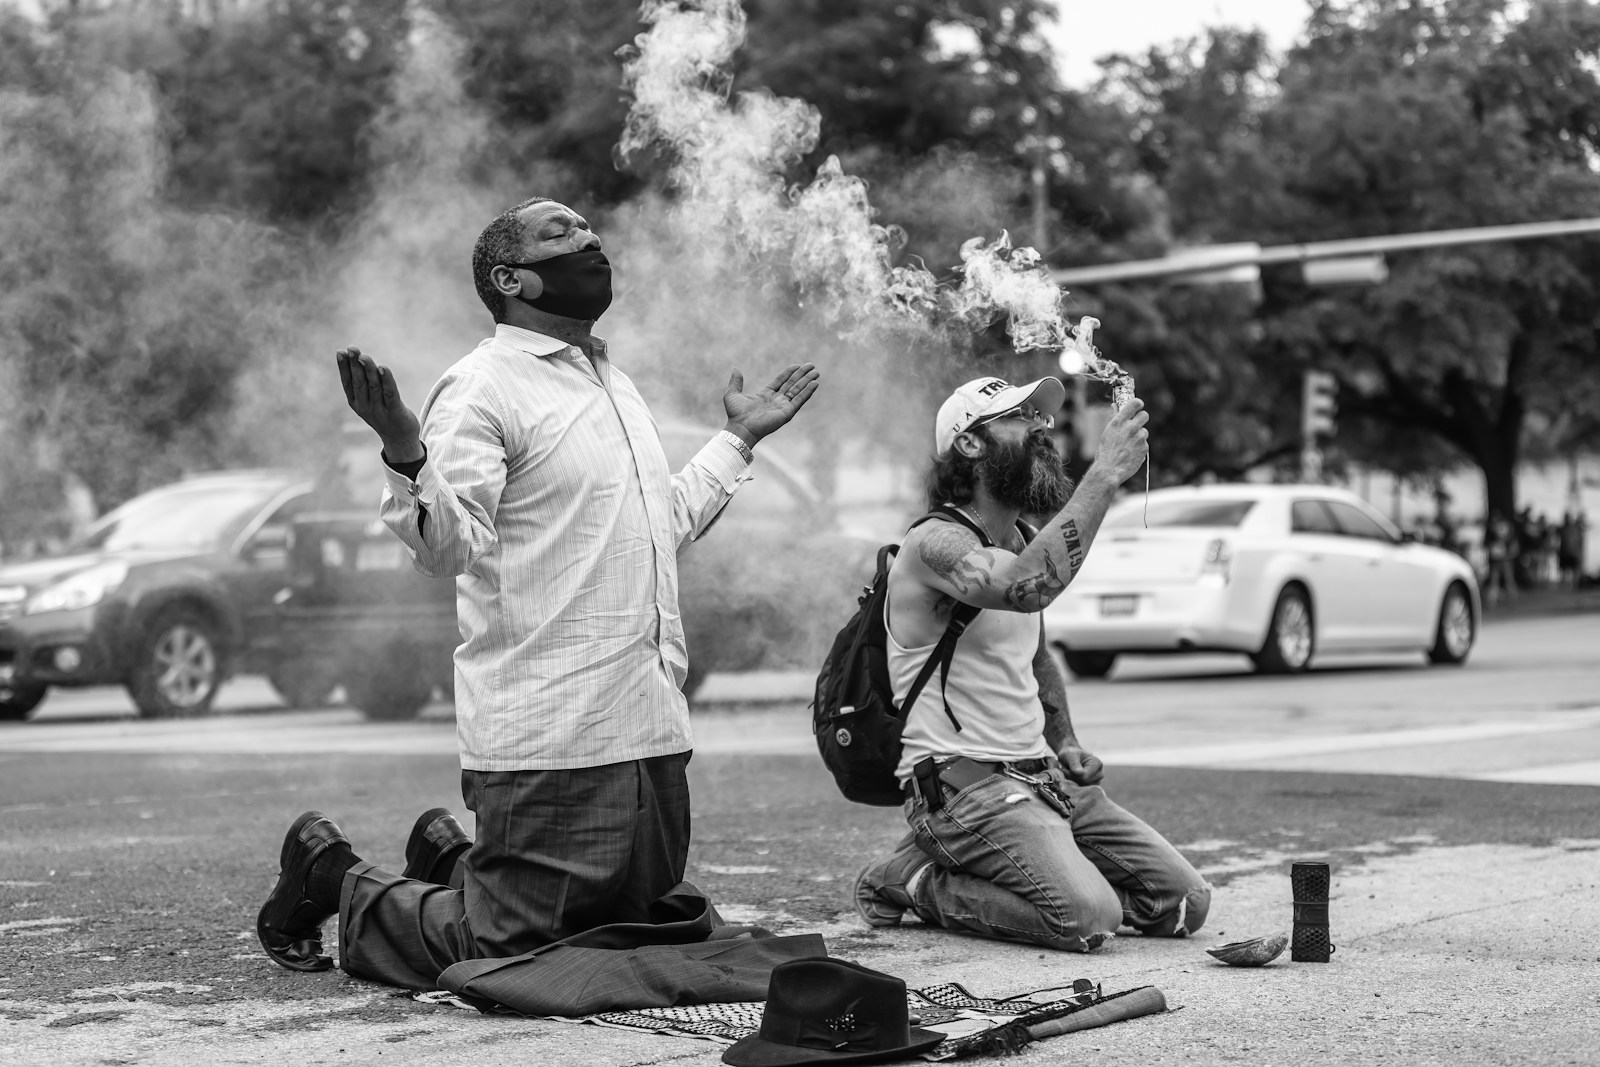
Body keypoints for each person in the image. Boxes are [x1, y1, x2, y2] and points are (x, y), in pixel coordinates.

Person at [256, 196, 821, 988]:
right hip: (549, 730)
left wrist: (740, 440)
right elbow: (448, 547)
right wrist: (404, 448)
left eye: (590, 227)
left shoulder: (613, 383)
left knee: (634, 929)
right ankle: (330, 873)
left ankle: (454, 861)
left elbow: (665, 520)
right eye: (561, 232)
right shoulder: (482, 386)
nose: (589, 238)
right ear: (509, 276)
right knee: (514, 951)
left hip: (649, 723)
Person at [854, 376, 1211, 952]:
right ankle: (909, 880)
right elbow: (1027, 589)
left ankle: (1002, 861)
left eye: (1044, 417)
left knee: (1180, 904)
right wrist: (1105, 474)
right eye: (1022, 417)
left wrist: (1065, 742)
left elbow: (1035, 653)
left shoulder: (1023, 536)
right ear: (970, 444)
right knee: (1089, 917)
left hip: (1042, 777)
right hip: (963, 787)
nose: (1044, 428)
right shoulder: (934, 544)